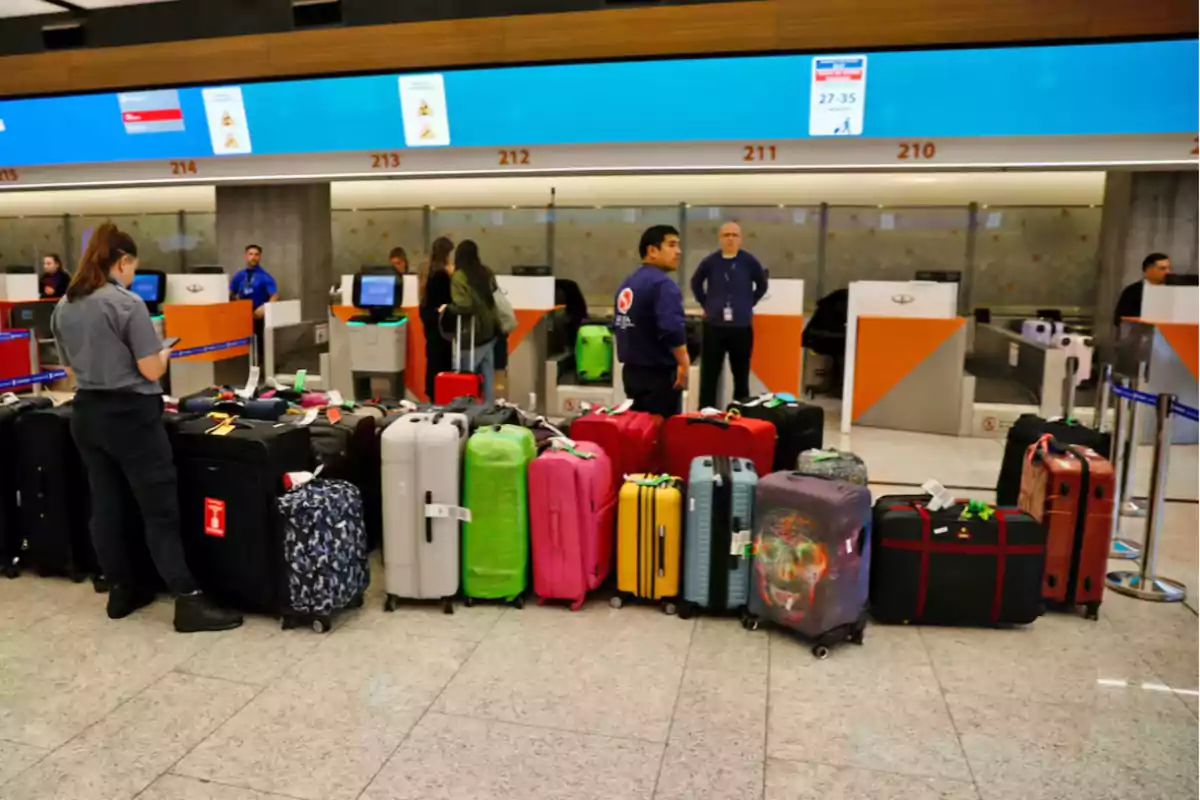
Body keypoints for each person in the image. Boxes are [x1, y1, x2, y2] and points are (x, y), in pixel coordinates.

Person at [49, 223, 243, 633]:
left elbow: (68, 371)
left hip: (86, 414)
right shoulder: (127, 304)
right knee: (159, 511)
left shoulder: (64, 306)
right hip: (132, 417)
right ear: (122, 261)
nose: (133, 275)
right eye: (132, 267)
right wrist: (164, 354)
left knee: (106, 505)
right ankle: (187, 601)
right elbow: (149, 367)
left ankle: (122, 592)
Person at [613, 225, 689, 417]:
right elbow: (672, 328)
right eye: (671, 245)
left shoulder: (627, 283)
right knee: (659, 435)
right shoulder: (664, 285)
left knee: (638, 431)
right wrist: (683, 362)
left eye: (678, 246)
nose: (678, 251)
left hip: (631, 373)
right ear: (652, 251)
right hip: (658, 376)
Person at [690, 222, 768, 407]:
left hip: (741, 327)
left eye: (734, 235)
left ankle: (740, 414)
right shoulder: (710, 261)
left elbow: (762, 285)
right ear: (720, 238)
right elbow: (696, 283)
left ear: (740, 239)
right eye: (726, 235)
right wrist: (706, 304)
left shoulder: (749, 261)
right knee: (709, 375)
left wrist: (750, 302)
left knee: (741, 375)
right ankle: (706, 413)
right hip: (714, 326)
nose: (730, 239)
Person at [440, 239, 500, 403]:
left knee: (466, 374)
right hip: (491, 329)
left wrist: (448, 308)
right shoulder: (486, 272)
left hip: (473, 333)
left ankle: (468, 409)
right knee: (487, 373)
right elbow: (495, 293)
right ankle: (488, 408)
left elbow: (464, 305)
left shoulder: (460, 276)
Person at [229, 244, 279, 366]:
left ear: (260, 257)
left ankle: (262, 367)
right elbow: (230, 292)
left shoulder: (265, 277)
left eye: (256, 255)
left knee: (260, 343)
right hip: (241, 314)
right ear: (246, 256)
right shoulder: (239, 276)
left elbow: (274, 295)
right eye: (251, 254)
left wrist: (264, 308)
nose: (253, 257)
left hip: (257, 314)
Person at [419, 236, 454, 400]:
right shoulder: (442, 275)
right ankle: (438, 396)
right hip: (440, 327)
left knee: (433, 361)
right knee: (442, 364)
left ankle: (432, 394)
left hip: (430, 324)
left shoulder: (429, 271)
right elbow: (448, 301)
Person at [1114, 252, 1171, 327]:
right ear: (1148, 270)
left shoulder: (1171, 290)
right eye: (1162, 268)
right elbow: (1120, 318)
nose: (1168, 272)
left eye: (1168, 268)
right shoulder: (1133, 291)